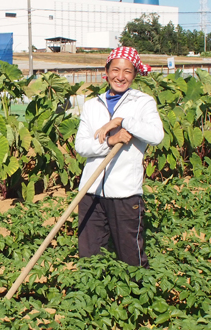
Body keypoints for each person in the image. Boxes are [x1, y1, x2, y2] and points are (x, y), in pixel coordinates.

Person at [75, 46, 164, 268]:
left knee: (130, 256)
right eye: (115, 70)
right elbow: (81, 145)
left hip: (125, 193)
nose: (120, 77)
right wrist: (109, 142)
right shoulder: (92, 105)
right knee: (90, 256)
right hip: (91, 191)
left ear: (135, 74)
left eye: (127, 71)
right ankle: (93, 300)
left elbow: (156, 135)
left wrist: (122, 121)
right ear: (106, 71)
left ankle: (136, 298)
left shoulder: (143, 102)